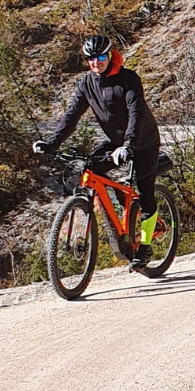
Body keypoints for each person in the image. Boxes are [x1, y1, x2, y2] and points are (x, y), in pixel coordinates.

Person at [33, 35, 161, 269]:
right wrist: (52, 144)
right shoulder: (87, 83)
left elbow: (136, 114)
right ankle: (124, 201)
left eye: (101, 56)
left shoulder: (128, 79)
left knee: (146, 193)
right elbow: (71, 116)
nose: (96, 62)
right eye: (90, 58)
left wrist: (128, 145)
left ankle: (145, 246)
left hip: (143, 143)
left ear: (110, 55)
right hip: (115, 142)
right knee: (92, 169)